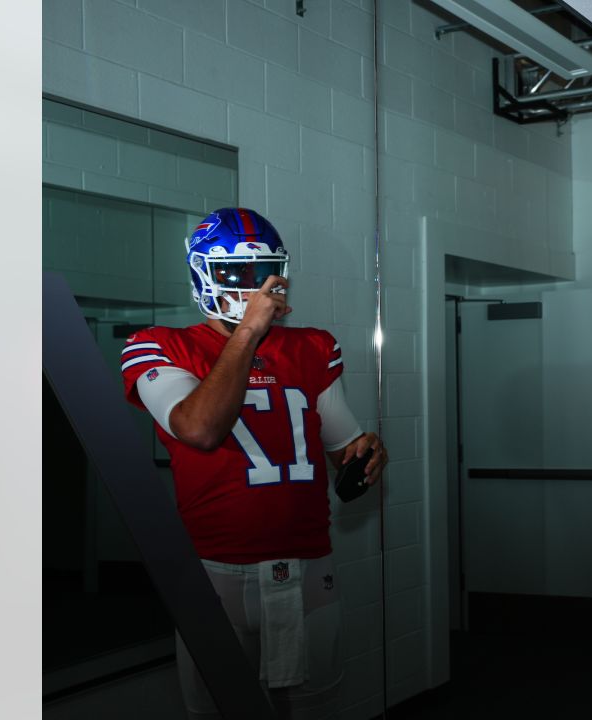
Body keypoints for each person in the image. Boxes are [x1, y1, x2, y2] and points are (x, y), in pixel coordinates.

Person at [119, 208, 388, 719]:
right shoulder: (157, 345)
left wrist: (365, 453)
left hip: (308, 562)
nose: (250, 286)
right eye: (234, 273)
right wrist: (246, 334)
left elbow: (342, 449)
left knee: (317, 709)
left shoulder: (313, 346)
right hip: (214, 569)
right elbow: (199, 427)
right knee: (221, 709)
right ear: (202, 272)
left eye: (261, 271)